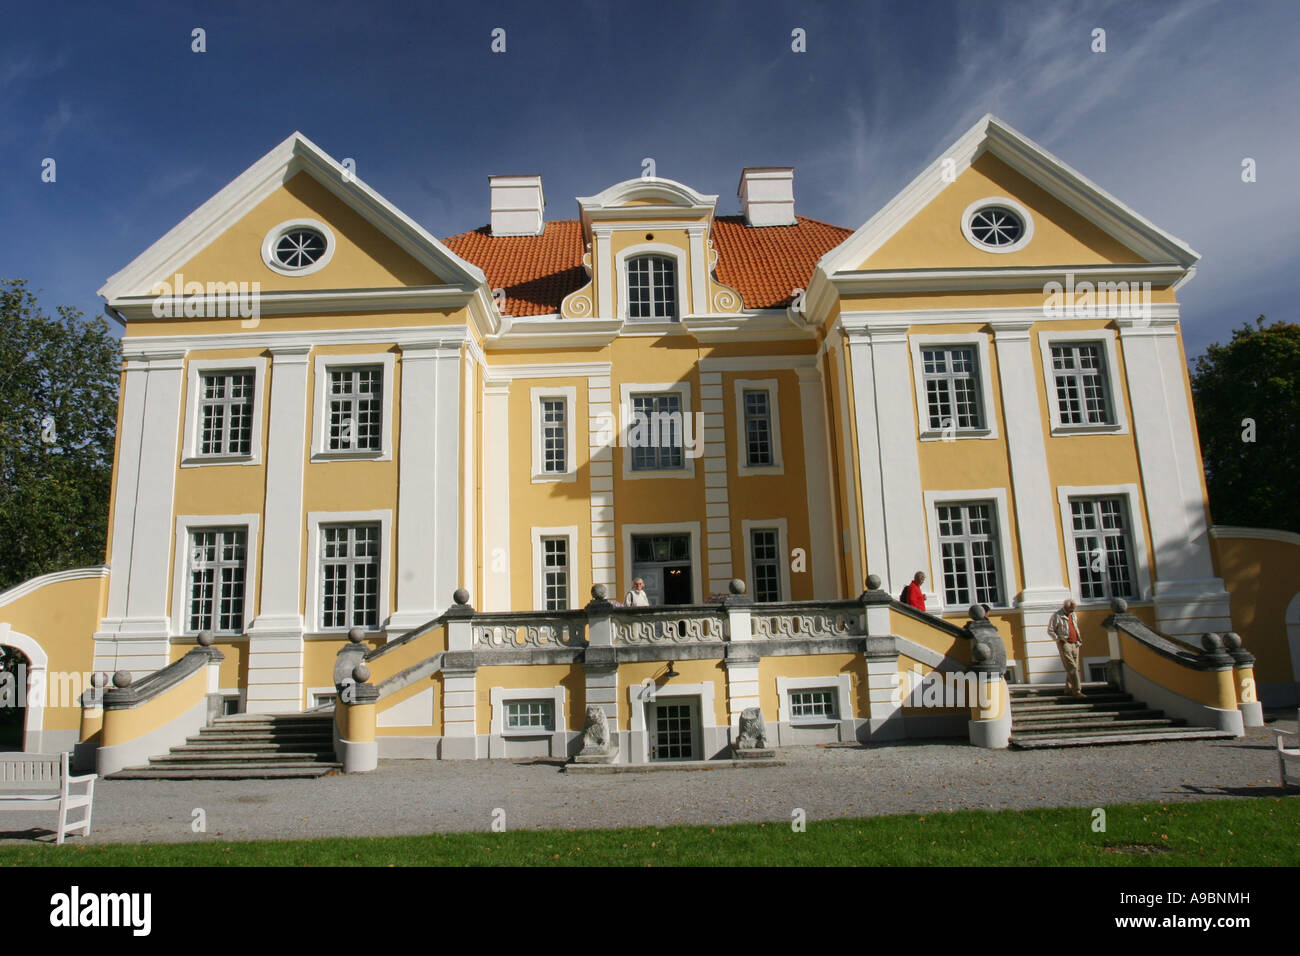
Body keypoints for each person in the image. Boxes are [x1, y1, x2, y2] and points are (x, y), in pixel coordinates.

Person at [1048, 598, 1085, 698]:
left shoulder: (1073, 615)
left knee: (1074, 668)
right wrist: (1058, 639)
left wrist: (1078, 640)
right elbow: (1050, 630)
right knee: (1072, 667)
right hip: (1064, 643)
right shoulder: (1057, 615)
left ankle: (1068, 689)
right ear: (1065, 607)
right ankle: (1077, 691)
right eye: (1071, 609)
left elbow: (1075, 627)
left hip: (1075, 643)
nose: (1073, 611)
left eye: (1073, 609)